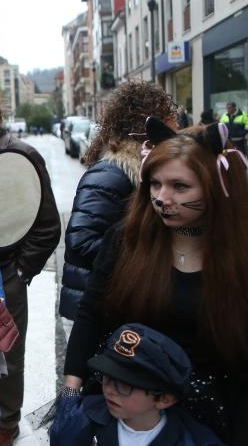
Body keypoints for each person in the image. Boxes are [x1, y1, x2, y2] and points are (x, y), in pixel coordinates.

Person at [61, 119, 248, 444]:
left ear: (215, 188)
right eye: (155, 184)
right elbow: (90, 312)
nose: (162, 198)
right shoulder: (125, 241)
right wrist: (70, 390)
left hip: (212, 415)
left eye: (180, 187)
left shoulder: (239, 256)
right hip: (126, 408)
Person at [0, 94, 61, 446]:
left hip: (5, 274)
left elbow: (48, 226)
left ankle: (7, 425)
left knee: (7, 355)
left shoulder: (20, 155)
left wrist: (19, 273)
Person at [60, 81, 178, 324]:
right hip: (101, 308)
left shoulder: (140, 170)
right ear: (148, 125)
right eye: (170, 118)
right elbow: (81, 241)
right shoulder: (111, 173)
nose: (177, 127)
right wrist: (150, 249)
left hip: (115, 302)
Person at [50, 323, 224, 445]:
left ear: (165, 399)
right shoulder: (80, 419)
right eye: (107, 377)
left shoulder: (193, 441)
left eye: (125, 385)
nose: (109, 390)